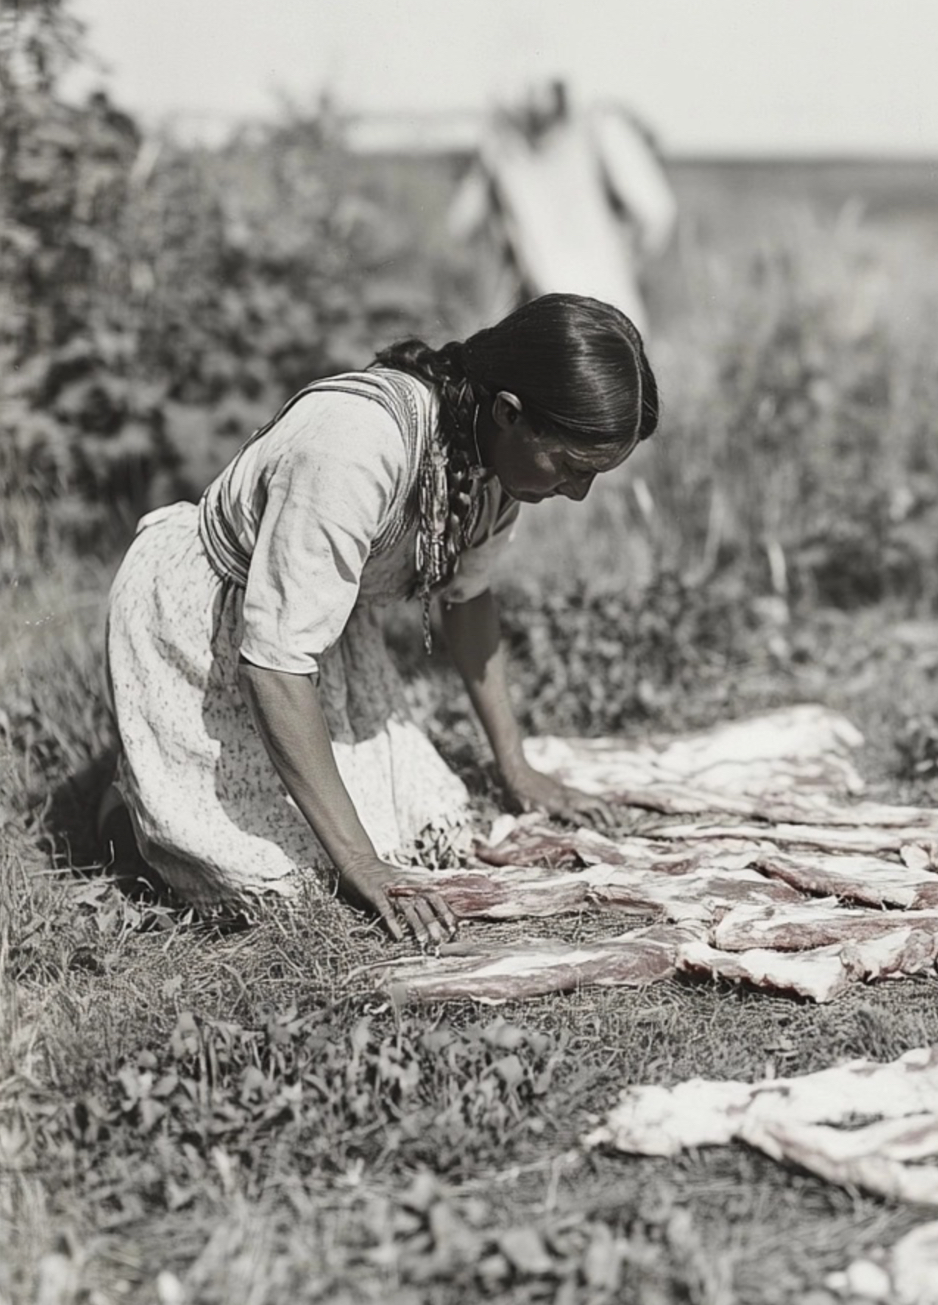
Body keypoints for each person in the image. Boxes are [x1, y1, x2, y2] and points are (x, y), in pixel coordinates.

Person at [103, 293, 657, 945]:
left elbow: (468, 599)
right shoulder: (357, 444)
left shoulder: (490, 466)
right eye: (570, 466)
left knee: (423, 827)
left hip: (315, 641)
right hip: (202, 632)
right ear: (510, 413)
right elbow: (274, 665)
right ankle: (130, 807)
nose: (576, 492)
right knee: (274, 886)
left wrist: (516, 764)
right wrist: (361, 862)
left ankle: (166, 796)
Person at [447, 79, 678, 335]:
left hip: (595, 317)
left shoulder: (596, 130)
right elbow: (459, 224)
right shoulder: (505, 151)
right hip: (569, 318)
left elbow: (658, 214)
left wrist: (625, 262)